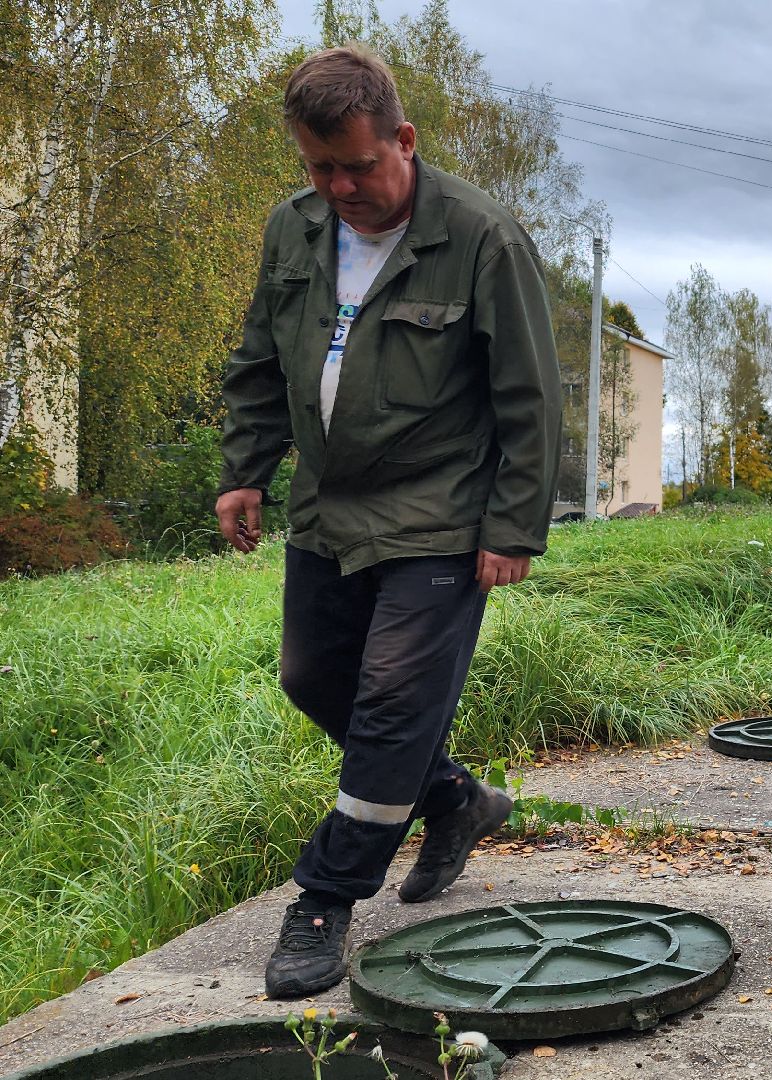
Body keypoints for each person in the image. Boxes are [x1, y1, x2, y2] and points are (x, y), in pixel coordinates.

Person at [215, 43, 561, 998]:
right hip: (327, 506)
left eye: (359, 165)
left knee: (393, 703)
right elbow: (257, 361)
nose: (340, 187)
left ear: (403, 140)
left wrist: (512, 526)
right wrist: (244, 471)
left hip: (441, 512)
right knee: (311, 675)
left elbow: (530, 396)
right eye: (319, 168)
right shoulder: (294, 230)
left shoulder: (482, 237)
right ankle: (453, 800)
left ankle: (325, 896)